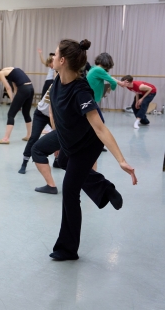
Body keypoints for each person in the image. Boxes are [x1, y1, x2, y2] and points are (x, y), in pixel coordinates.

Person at [48, 38, 137, 261]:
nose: (52, 57)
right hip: (69, 140)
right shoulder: (58, 80)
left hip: (86, 145)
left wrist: (121, 160)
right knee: (62, 163)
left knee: (69, 192)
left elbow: (100, 128)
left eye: (55, 53)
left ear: (62, 60)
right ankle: (104, 189)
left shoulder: (81, 91)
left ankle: (67, 249)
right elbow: (55, 107)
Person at [18, 82, 54, 174]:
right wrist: (55, 129)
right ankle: (24, 162)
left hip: (54, 115)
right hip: (41, 114)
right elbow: (50, 111)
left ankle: (58, 160)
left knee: (62, 136)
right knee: (34, 137)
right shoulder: (54, 85)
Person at [0, 67, 34, 144]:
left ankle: (6, 138)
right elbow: (15, 88)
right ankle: (29, 135)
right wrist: (15, 100)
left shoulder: (1, 73)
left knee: (11, 114)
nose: (1, 80)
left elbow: (8, 88)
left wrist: (13, 100)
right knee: (26, 113)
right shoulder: (10, 69)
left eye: (0, 80)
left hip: (24, 89)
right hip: (30, 88)